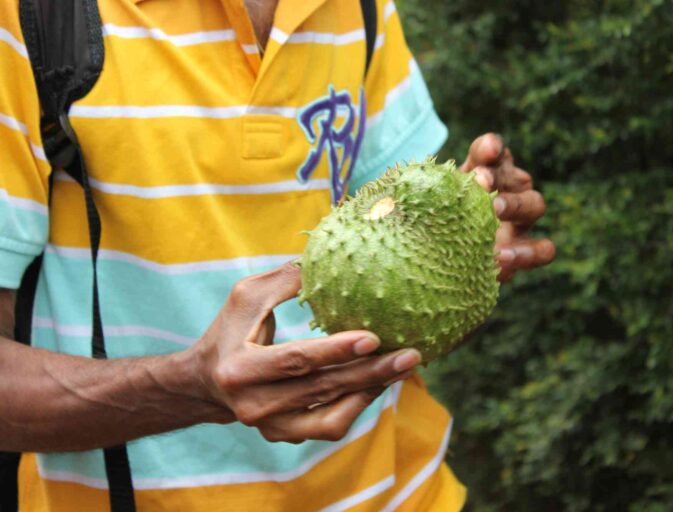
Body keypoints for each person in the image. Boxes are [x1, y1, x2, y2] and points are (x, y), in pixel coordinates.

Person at [0, 0, 555, 510]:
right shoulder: (34, 16)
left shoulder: (360, 9)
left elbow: (405, 258)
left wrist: (474, 240)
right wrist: (187, 385)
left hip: (406, 492)